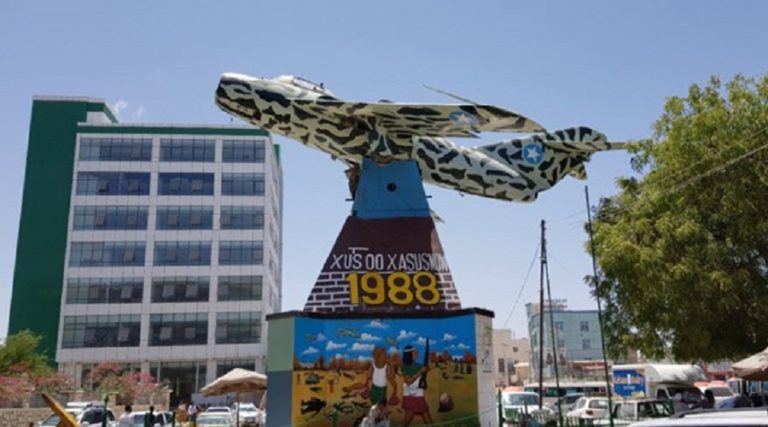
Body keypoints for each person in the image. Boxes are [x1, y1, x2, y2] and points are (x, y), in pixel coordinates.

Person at [401, 346, 432, 426]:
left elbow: (427, 368)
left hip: (418, 394)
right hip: (411, 395)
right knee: (406, 421)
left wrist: (428, 359)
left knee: (427, 419)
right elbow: (408, 381)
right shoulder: (405, 366)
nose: (417, 353)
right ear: (409, 354)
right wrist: (420, 372)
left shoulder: (418, 365)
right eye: (415, 352)